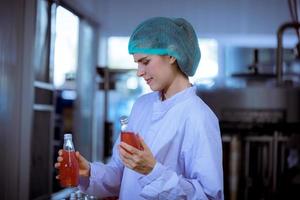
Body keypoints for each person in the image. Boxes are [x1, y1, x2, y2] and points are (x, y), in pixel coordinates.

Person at [55, 16, 224, 200]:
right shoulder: (142, 105)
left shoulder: (199, 117)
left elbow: (208, 196)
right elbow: (121, 174)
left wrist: (152, 171)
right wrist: (89, 171)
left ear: (171, 55)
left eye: (145, 61)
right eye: (137, 63)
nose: (139, 72)